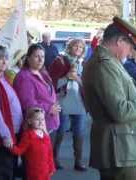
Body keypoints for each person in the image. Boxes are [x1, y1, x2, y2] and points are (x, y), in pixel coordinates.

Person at [82, 16, 136, 180]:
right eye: (130, 46)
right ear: (119, 41)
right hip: (118, 149)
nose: (130, 52)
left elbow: (115, 93)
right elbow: (119, 111)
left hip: (119, 146)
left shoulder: (108, 61)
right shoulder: (105, 64)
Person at [48, 39, 87, 171]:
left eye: (81, 47)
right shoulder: (60, 61)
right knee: (60, 130)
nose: (78, 48)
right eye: (76, 45)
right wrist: (66, 78)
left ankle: (79, 161)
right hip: (63, 100)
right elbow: (51, 83)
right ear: (69, 47)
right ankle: (54, 158)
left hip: (79, 102)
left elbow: (87, 85)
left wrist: (78, 79)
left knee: (80, 131)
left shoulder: (84, 63)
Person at [0, 46, 23, 180]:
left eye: (6, 58)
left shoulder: (3, 78)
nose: (4, 61)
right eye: (0, 57)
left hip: (12, 133)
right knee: (4, 173)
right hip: (2, 137)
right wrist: (5, 135)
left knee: (10, 171)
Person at [13, 44, 60, 135]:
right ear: (28, 58)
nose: (40, 59)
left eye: (42, 56)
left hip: (49, 122)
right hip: (37, 126)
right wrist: (49, 108)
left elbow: (50, 93)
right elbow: (27, 103)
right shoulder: (24, 77)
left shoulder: (42, 72)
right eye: (36, 56)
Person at [9, 107, 55, 180]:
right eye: (37, 119)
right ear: (29, 121)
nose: (41, 122)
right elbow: (19, 150)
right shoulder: (28, 135)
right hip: (34, 172)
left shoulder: (45, 135)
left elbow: (50, 153)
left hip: (45, 171)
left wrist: (51, 167)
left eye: (42, 119)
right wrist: (10, 145)